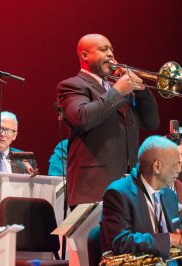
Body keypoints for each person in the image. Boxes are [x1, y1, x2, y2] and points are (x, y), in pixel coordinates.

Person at [57, 33, 159, 208]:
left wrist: (141, 89)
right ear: (84, 55)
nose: (111, 54)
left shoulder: (119, 90)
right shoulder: (73, 85)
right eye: (104, 49)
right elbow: (83, 118)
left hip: (129, 188)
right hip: (93, 189)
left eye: (111, 49)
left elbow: (151, 122)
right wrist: (117, 91)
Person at [100, 135, 182, 265]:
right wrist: (170, 239)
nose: (179, 170)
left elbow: (175, 235)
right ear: (157, 167)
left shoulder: (169, 195)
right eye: (175, 164)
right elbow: (121, 242)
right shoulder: (119, 193)